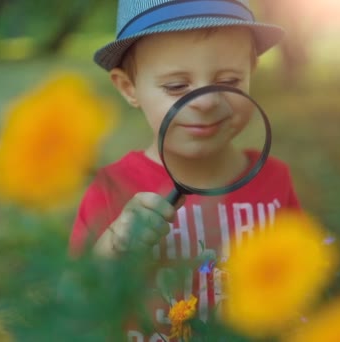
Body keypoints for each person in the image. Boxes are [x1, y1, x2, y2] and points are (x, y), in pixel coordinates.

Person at [68, 0, 300, 340]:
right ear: (129, 88)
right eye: (177, 86)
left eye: (230, 80)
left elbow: (303, 283)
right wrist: (113, 249)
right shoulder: (112, 189)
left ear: (253, 69)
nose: (205, 101)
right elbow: (72, 304)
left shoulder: (276, 180)